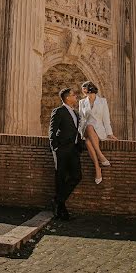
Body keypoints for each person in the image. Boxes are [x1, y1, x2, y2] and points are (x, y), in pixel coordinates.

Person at [49, 87, 82, 220]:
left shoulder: (76, 113)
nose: (76, 97)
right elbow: (52, 130)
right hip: (62, 149)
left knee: (77, 176)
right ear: (67, 97)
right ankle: (61, 210)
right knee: (60, 179)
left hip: (74, 150)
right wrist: (55, 148)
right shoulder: (59, 111)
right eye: (74, 95)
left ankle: (58, 200)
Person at [79, 81, 117, 185]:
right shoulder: (82, 102)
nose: (82, 91)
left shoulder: (102, 101)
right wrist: (80, 133)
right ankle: (100, 155)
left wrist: (110, 133)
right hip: (86, 129)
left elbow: (106, 118)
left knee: (88, 142)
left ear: (89, 88)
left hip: (99, 130)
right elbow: (82, 119)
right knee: (89, 126)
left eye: (84, 88)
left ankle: (97, 168)